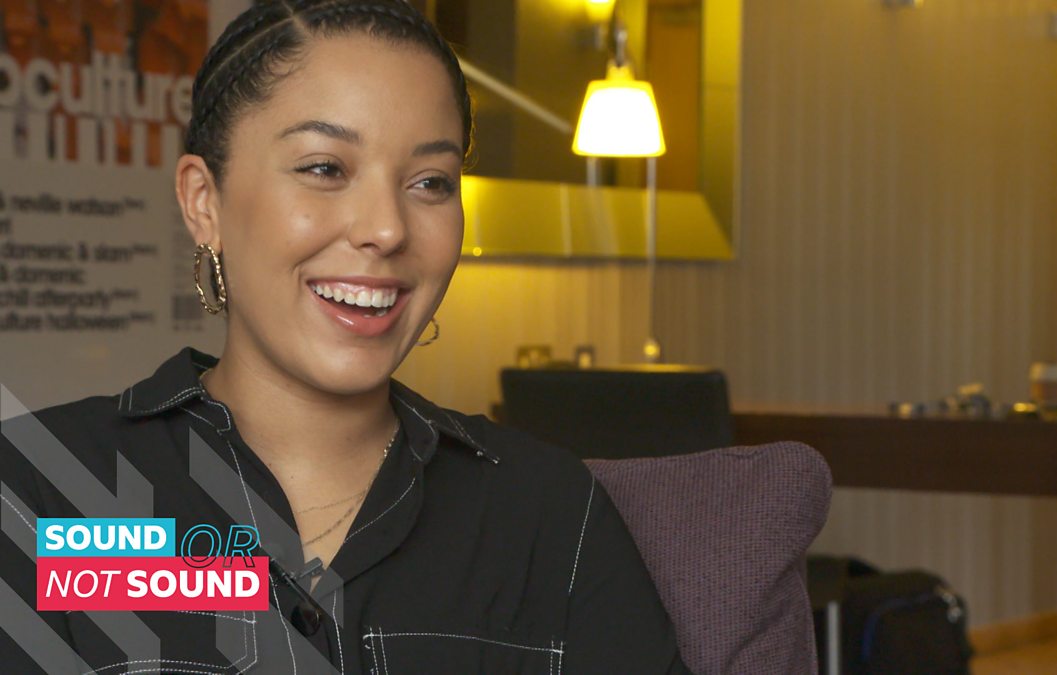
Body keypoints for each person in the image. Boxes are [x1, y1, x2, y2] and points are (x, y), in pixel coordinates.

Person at [0, 1, 693, 672]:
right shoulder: (49, 491)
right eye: (325, 169)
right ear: (203, 201)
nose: (386, 229)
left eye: (431, 182)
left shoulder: (548, 514)